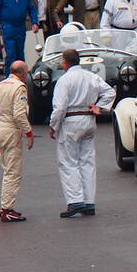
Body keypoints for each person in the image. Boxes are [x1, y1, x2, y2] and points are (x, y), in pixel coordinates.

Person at [49, 48, 116, 218]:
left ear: (65, 63)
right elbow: (110, 92)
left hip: (71, 121)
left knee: (68, 161)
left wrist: (53, 126)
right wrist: (99, 106)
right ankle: (89, 202)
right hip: (88, 119)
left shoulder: (64, 80)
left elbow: (60, 107)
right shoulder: (91, 76)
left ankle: (75, 201)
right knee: (87, 161)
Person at [0, 61, 33, 224]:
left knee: (7, 168)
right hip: (10, 129)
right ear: (22, 73)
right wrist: (28, 132)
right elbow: (19, 114)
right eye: (26, 72)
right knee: (13, 172)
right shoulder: (19, 87)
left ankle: (6, 207)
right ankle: (7, 209)